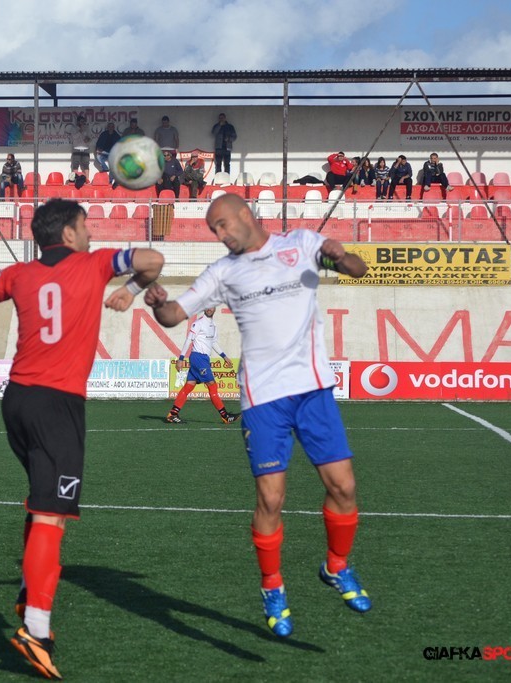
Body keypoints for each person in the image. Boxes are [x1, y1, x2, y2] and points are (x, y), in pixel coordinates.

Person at [0, 198, 165, 680]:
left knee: (41, 500)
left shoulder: (18, 274)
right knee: (51, 514)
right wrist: (129, 289)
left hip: (17, 400)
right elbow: (152, 260)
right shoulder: (93, 264)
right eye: (85, 226)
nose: (90, 233)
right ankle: (35, 631)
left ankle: (28, 594)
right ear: (67, 233)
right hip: (57, 405)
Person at [143, 193, 370, 640]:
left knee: (344, 487)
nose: (220, 235)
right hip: (263, 398)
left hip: (313, 389)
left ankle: (336, 566)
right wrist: (157, 303)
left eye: (223, 224)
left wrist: (340, 255)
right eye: (214, 230)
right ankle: (272, 586)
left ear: (246, 215)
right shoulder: (223, 272)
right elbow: (173, 315)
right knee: (271, 499)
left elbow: (358, 269)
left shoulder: (302, 243)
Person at [166, 307, 237, 424]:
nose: (209, 309)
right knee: (212, 385)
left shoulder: (213, 325)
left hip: (203, 359)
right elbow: (188, 340)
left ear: (215, 308)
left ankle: (172, 414)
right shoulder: (198, 323)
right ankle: (225, 416)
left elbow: (213, 342)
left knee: (189, 385)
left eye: (212, 307)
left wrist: (224, 356)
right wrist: (181, 359)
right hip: (198, 358)